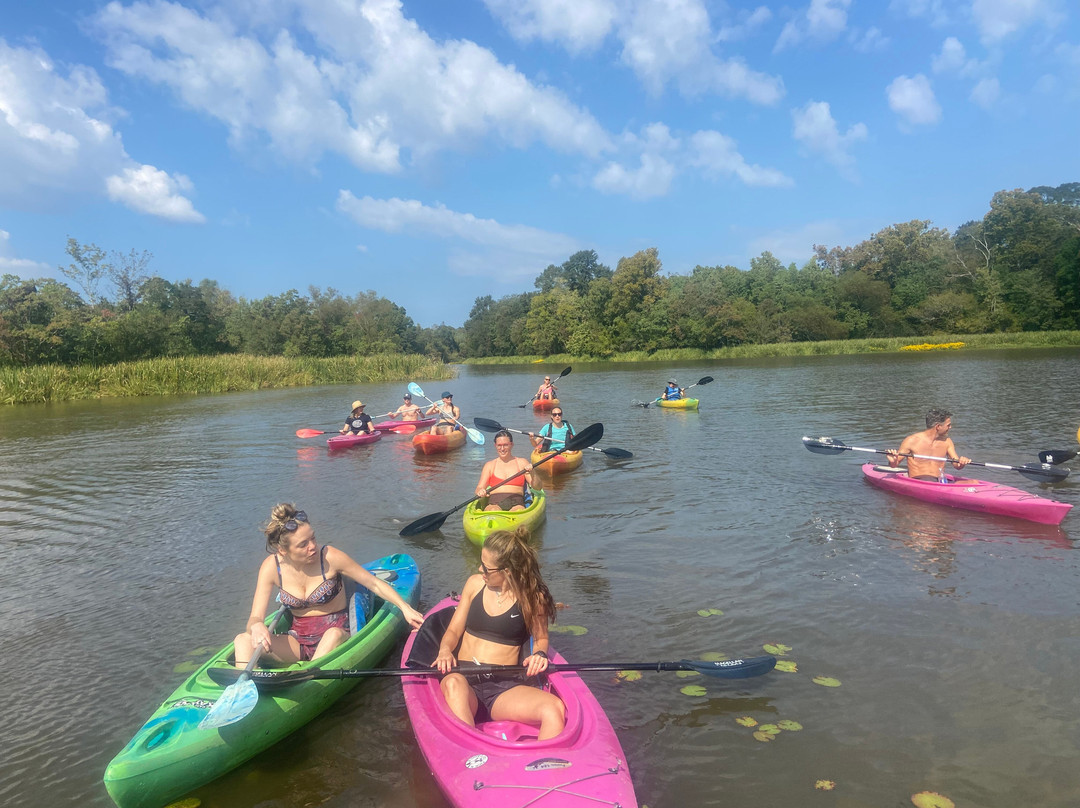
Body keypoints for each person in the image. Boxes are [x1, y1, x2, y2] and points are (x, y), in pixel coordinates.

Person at [234, 504, 424, 667]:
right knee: (242, 641)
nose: (312, 546)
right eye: (303, 544)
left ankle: (307, 681)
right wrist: (257, 626)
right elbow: (255, 618)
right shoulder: (271, 567)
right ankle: (239, 695)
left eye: (313, 538)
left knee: (332, 634)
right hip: (298, 641)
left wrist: (405, 608)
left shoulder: (330, 557)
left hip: (338, 636)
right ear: (283, 551)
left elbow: (374, 583)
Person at [434, 526, 564, 740]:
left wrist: (540, 654)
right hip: (466, 682)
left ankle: (541, 767)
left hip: (504, 688)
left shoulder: (533, 599)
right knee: (452, 683)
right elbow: (454, 631)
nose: (480, 570)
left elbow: (541, 638)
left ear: (508, 571)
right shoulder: (474, 585)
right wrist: (445, 650)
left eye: (487, 568)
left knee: (554, 708)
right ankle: (472, 751)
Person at [886, 408, 971, 482]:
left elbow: (957, 465)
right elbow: (894, 465)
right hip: (919, 481)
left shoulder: (947, 441)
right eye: (948, 425)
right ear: (938, 426)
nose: (950, 427)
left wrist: (962, 462)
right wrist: (893, 461)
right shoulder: (911, 441)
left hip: (939, 481)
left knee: (973, 483)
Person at [476, 430, 535, 511]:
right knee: (493, 510)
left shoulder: (522, 463)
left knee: (518, 511)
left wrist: (533, 473)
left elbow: (537, 487)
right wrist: (480, 491)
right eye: (499, 445)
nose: (502, 449)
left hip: (516, 503)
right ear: (495, 446)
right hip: (495, 503)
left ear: (511, 445)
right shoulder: (489, 465)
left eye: (505, 445)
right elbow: (479, 487)